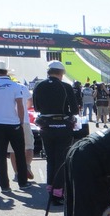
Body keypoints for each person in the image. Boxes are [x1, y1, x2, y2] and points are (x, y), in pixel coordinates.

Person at [32, 60, 79, 206]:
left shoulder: (39, 86)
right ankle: (58, 192)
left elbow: (37, 107)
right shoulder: (65, 86)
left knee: (50, 159)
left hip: (46, 126)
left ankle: (50, 188)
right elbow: (75, 110)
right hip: (63, 125)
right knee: (61, 160)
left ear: (48, 72)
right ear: (62, 73)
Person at [0, 61, 29, 194]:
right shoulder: (15, 85)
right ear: (6, 72)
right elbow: (20, 105)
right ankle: (23, 183)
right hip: (14, 123)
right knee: (19, 154)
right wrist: (20, 122)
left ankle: (4, 185)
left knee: (0, 155)